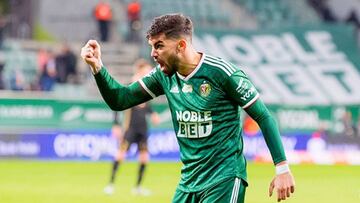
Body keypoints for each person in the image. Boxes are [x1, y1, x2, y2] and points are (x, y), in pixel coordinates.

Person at [81, 13, 295, 202]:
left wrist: (282, 168)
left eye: (159, 45)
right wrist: (98, 68)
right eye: (152, 47)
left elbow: (264, 117)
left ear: (181, 46)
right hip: (188, 182)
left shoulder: (223, 73)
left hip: (224, 178)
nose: (153, 54)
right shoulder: (164, 76)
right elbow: (120, 99)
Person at [103, 59, 160, 196]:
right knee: (120, 155)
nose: (149, 73)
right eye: (147, 71)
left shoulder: (146, 89)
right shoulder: (130, 86)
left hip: (143, 129)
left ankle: (138, 187)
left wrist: (152, 114)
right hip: (130, 128)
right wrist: (116, 125)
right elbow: (117, 105)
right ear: (139, 71)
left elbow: (146, 107)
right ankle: (111, 184)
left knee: (144, 157)